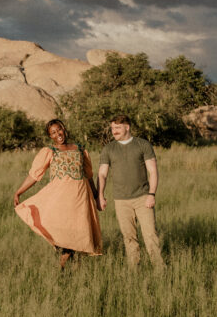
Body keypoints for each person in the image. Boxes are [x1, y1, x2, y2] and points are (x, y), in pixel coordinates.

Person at [13, 119, 102, 268]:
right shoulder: (49, 151)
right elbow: (34, 175)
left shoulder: (80, 149)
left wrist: (96, 195)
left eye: (59, 129)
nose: (58, 134)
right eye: (53, 133)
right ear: (50, 136)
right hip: (60, 200)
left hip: (80, 199)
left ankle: (72, 272)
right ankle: (63, 271)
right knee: (65, 237)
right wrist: (19, 192)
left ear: (64, 129)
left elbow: (88, 175)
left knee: (78, 234)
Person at [97, 114, 164, 269]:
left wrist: (151, 194)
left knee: (150, 235)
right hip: (121, 200)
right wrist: (100, 195)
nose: (114, 131)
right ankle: (134, 271)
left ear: (127, 127)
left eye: (118, 128)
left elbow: (153, 171)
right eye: (112, 128)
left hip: (143, 198)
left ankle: (160, 269)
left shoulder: (142, 145)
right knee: (129, 237)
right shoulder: (108, 149)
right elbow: (102, 174)